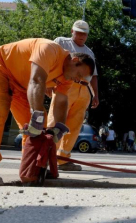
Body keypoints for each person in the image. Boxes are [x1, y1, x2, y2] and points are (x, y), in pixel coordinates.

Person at [0, 38, 95, 186]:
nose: (78, 80)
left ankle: (33, 167)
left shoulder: (67, 77)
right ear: (75, 60)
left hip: (23, 85)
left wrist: (58, 128)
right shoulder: (49, 49)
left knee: (38, 125)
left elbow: (61, 102)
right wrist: (36, 115)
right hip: (0, 67)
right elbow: (37, 80)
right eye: (79, 75)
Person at [47, 20, 99, 171]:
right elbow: (51, 61)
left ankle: (63, 158)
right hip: (65, 86)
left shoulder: (89, 52)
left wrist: (95, 95)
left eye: (85, 33)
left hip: (83, 91)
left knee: (74, 126)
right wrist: (49, 83)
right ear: (72, 31)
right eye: (79, 32)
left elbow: (93, 76)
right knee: (55, 122)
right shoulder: (61, 42)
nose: (81, 36)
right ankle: (48, 156)